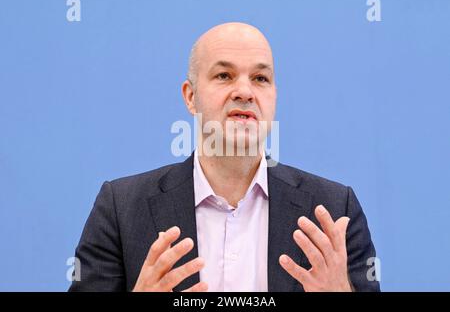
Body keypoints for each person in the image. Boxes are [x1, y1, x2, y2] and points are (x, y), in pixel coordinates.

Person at [69, 22, 380, 292]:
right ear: (191, 97)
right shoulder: (121, 208)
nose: (244, 91)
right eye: (224, 75)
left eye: (260, 79)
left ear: (274, 96)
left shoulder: (336, 211)